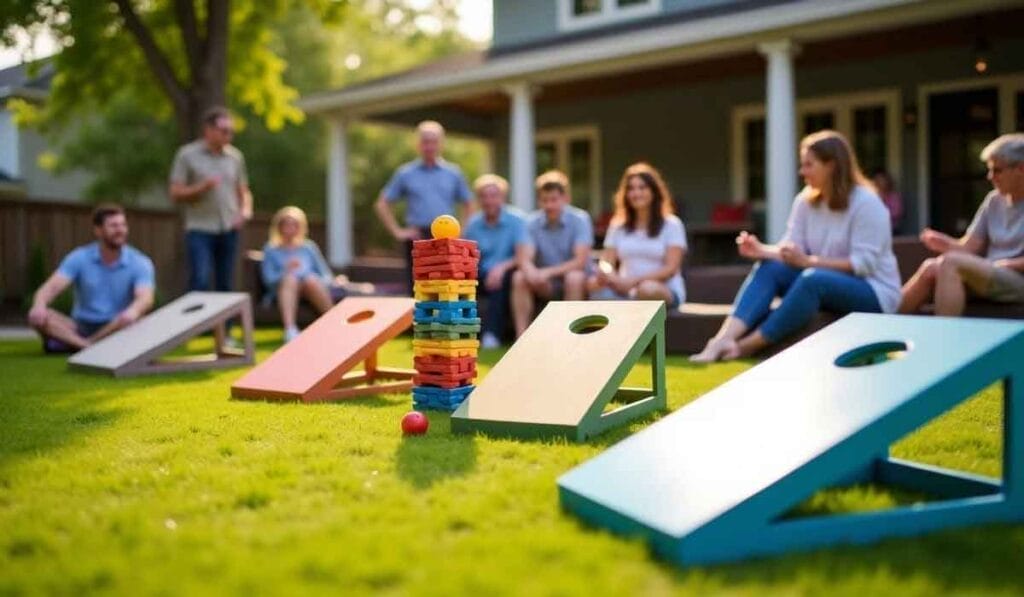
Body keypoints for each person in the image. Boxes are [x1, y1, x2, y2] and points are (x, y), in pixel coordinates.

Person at [691, 130, 901, 362]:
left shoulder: (867, 204)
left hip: (874, 292)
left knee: (813, 279)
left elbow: (863, 265)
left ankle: (746, 346)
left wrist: (808, 261)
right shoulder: (805, 201)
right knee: (770, 267)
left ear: (831, 165)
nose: (802, 172)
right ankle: (722, 339)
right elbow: (792, 248)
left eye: (809, 165)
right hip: (823, 277)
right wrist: (761, 250)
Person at [899, 133, 1024, 316]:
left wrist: (1005, 265)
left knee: (949, 263)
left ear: (1021, 168)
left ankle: (945, 339)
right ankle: (882, 323)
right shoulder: (993, 200)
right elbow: (968, 248)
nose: (990, 177)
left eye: (997, 170)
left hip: (1018, 279)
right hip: (993, 273)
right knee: (931, 267)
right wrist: (944, 243)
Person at [28, 204, 155, 352]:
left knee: (134, 319)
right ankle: (88, 346)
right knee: (38, 317)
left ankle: (75, 345)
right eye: (113, 226)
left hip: (117, 325)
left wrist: (133, 311)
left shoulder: (140, 262)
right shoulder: (79, 257)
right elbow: (50, 288)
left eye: (123, 225)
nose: (120, 230)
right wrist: (39, 305)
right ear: (98, 230)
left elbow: (145, 298)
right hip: (81, 326)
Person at [374, 121, 474, 293]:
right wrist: (398, 231)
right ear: (418, 144)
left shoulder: (453, 172)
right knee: (417, 290)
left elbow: (469, 204)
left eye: (433, 141)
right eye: (425, 141)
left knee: (446, 289)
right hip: (417, 237)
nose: (429, 146)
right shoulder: (405, 173)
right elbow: (382, 204)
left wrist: (462, 231)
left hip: (446, 239)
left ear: (441, 144)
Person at [169, 106, 252, 295]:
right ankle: (197, 324)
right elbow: (175, 192)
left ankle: (225, 326)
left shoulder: (235, 157)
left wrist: (244, 211)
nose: (229, 135)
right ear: (208, 130)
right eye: (224, 131)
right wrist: (201, 188)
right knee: (200, 279)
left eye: (231, 131)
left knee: (225, 282)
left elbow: (244, 191)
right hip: (199, 227)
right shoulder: (187, 155)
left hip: (228, 227)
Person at [588, 162, 687, 307]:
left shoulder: (672, 224)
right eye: (631, 189)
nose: (636, 193)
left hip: (662, 290)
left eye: (642, 187)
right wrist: (610, 276)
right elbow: (606, 261)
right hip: (625, 289)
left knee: (647, 290)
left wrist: (633, 282)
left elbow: (671, 269)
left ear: (654, 192)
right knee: (592, 285)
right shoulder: (618, 225)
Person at [512, 170, 594, 337]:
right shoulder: (530, 222)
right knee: (519, 277)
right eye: (544, 200)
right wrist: (532, 273)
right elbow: (524, 258)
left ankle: (568, 336)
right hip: (545, 283)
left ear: (566, 199)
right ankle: (521, 337)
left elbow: (580, 261)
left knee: (574, 277)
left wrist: (547, 273)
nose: (549, 205)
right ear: (539, 201)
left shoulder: (580, 219)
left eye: (554, 200)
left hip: (574, 280)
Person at [462, 174, 530, 348]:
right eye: (484, 196)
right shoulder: (473, 223)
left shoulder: (517, 220)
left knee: (500, 280)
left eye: (493, 196)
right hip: (481, 272)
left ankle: (492, 334)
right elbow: (467, 254)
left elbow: (522, 256)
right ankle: (459, 332)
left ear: (503, 197)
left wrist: (501, 268)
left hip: (509, 270)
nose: (488, 201)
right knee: (459, 283)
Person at [260, 206, 342, 342]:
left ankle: (335, 323)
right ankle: (290, 330)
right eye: (287, 224)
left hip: (311, 287)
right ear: (279, 227)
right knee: (290, 279)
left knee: (310, 279)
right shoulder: (271, 249)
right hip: (282, 290)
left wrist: (311, 279)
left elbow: (326, 275)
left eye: (294, 224)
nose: (290, 228)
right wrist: (285, 270)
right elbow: (268, 279)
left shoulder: (309, 247)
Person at [872, 168, 904, 233]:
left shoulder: (894, 196)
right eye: (877, 180)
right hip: (875, 230)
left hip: (892, 230)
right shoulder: (871, 196)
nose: (879, 182)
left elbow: (897, 212)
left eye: (881, 180)